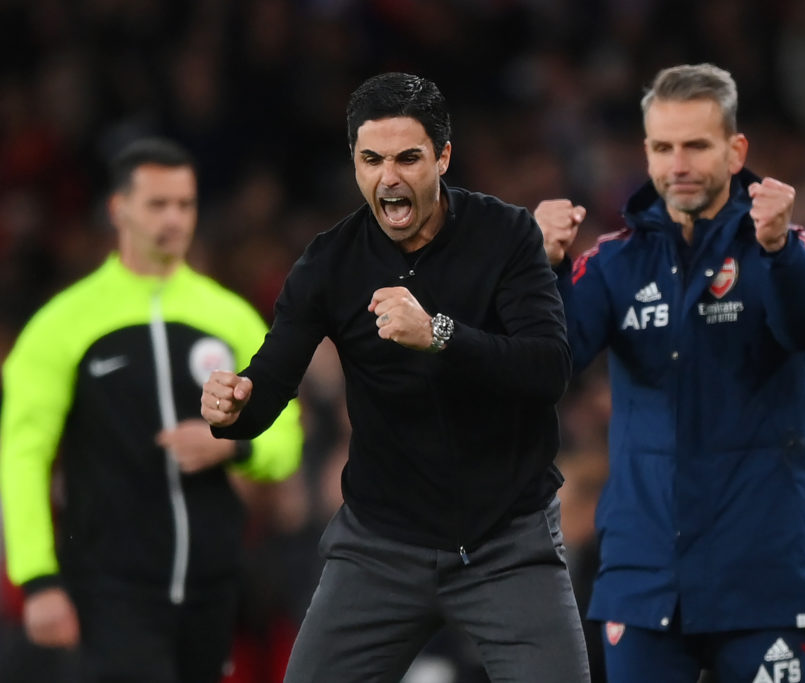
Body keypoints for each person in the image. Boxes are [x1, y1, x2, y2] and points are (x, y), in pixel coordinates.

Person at [202, 72, 590, 683]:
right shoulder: (329, 262)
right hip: (380, 547)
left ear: (443, 157)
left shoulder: (507, 235)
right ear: (353, 162)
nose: (390, 177)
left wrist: (439, 333)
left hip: (507, 541)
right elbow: (270, 380)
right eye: (371, 159)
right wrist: (235, 407)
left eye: (409, 157)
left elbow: (548, 369)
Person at [535, 63, 805, 683]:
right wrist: (542, 269)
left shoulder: (784, 245)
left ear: (736, 151)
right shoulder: (614, 262)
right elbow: (547, 365)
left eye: (697, 145)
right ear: (646, 151)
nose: (679, 163)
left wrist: (778, 250)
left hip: (762, 579)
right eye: (664, 146)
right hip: (646, 580)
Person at [0, 137, 303, 683]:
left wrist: (232, 446)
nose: (174, 219)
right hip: (113, 588)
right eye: (157, 204)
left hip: (212, 585)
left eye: (185, 204)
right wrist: (38, 580)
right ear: (119, 210)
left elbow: (286, 436)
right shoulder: (63, 324)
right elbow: (23, 458)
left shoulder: (228, 317)